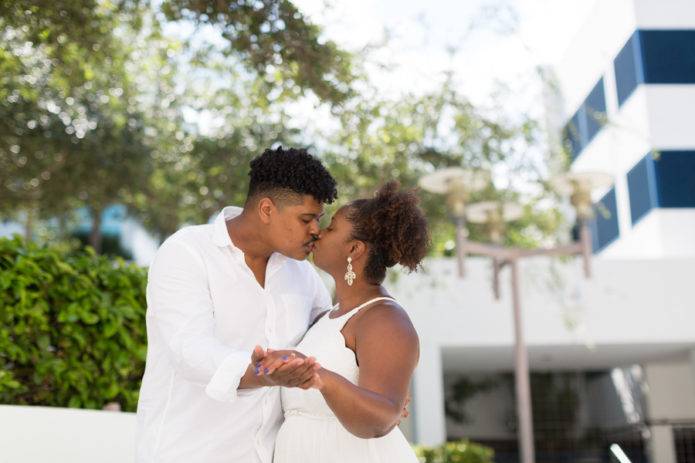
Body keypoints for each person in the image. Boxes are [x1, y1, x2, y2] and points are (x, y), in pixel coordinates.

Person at [135, 146, 338, 463]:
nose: (316, 230)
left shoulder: (304, 275)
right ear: (267, 209)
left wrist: (378, 384)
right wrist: (265, 372)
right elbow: (190, 350)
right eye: (306, 218)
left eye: (318, 219)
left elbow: (332, 340)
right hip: (186, 454)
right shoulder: (187, 252)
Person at [256, 181, 430, 462]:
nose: (318, 233)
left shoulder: (385, 319)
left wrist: (315, 374)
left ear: (354, 249)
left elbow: (380, 419)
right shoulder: (327, 315)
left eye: (331, 227)